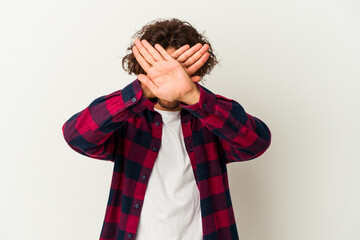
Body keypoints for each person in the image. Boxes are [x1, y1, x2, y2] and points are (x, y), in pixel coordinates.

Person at [62, 18, 271, 240]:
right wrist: (142, 90)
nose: (169, 77)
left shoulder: (211, 121)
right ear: (143, 68)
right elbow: (77, 136)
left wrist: (192, 95)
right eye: (159, 67)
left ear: (195, 69)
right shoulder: (128, 121)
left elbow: (256, 142)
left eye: (178, 68)